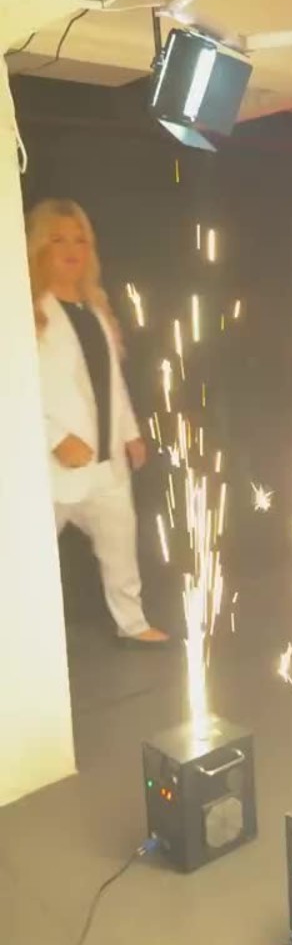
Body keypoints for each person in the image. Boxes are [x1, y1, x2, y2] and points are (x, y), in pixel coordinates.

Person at [26, 198, 169, 645]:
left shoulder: (95, 310)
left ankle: (132, 622)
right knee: (23, 553)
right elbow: (12, 387)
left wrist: (130, 433)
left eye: (80, 240)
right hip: (51, 466)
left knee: (120, 544)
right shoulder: (26, 312)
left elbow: (110, 381)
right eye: (58, 240)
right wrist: (54, 438)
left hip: (105, 461)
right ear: (38, 248)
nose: (71, 250)